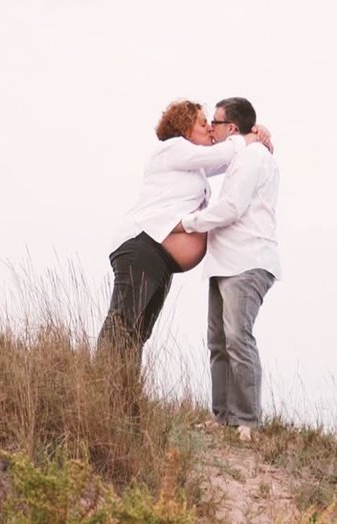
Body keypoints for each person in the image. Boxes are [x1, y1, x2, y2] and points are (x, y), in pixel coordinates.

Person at [97, 99, 269, 418]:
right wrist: (244, 136)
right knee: (123, 322)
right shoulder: (173, 148)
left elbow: (229, 159)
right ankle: (97, 393)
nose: (208, 128)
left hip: (160, 257)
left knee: (139, 330)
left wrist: (255, 135)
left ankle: (120, 400)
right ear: (184, 126)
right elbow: (225, 152)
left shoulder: (195, 164)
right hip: (142, 244)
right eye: (202, 122)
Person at [175, 97, 281, 441]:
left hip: (247, 261)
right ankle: (222, 417)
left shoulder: (253, 157)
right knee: (218, 341)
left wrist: (187, 224)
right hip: (224, 263)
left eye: (215, 123)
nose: (210, 128)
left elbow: (232, 207)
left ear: (231, 128)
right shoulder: (241, 155)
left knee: (238, 338)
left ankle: (247, 420)